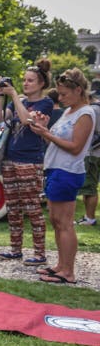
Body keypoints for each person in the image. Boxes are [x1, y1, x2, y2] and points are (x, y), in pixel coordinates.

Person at [29, 68, 96, 284]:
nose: (61, 98)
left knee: (65, 223)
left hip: (68, 171)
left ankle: (68, 272)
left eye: (65, 94)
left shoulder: (86, 113)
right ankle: (61, 265)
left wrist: (46, 133)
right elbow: (56, 141)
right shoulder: (69, 112)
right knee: (56, 221)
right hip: (56, 169)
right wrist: (43, 129)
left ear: (78, 90)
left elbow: (76, 147)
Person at [0, 59, 53, 266]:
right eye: (24, 80)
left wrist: (15, 96)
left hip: (30, 161)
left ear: (41, 83)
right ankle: (15, 250)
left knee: (32, 207)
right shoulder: (17, 101)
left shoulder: (45, 103)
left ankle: (39, 253)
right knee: (13, 208)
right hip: (10, 159)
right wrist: (0, 94)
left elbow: (28, 120)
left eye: (30, 81)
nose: (26, 84)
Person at [74, 92, 100, 226]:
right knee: (89, 187)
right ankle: (88, 217)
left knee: (89, 187)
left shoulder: (94, 110)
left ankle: (90, 218)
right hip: (94, 154)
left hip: (92, 154)